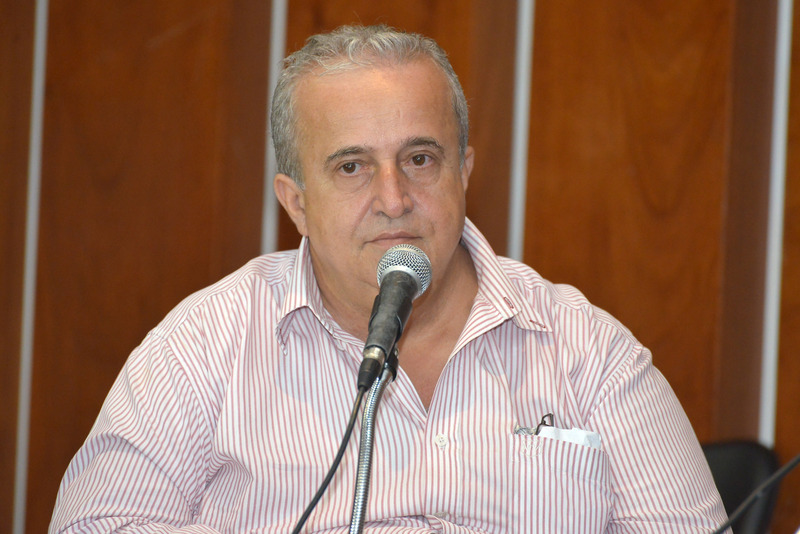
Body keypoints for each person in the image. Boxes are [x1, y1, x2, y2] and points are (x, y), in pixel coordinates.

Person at [49, 24, 728, 533]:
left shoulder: (589, 352)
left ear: (463, 173)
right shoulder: (203, 346)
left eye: (420, 159)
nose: (395, 199)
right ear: (296, 203)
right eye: (351, 167)